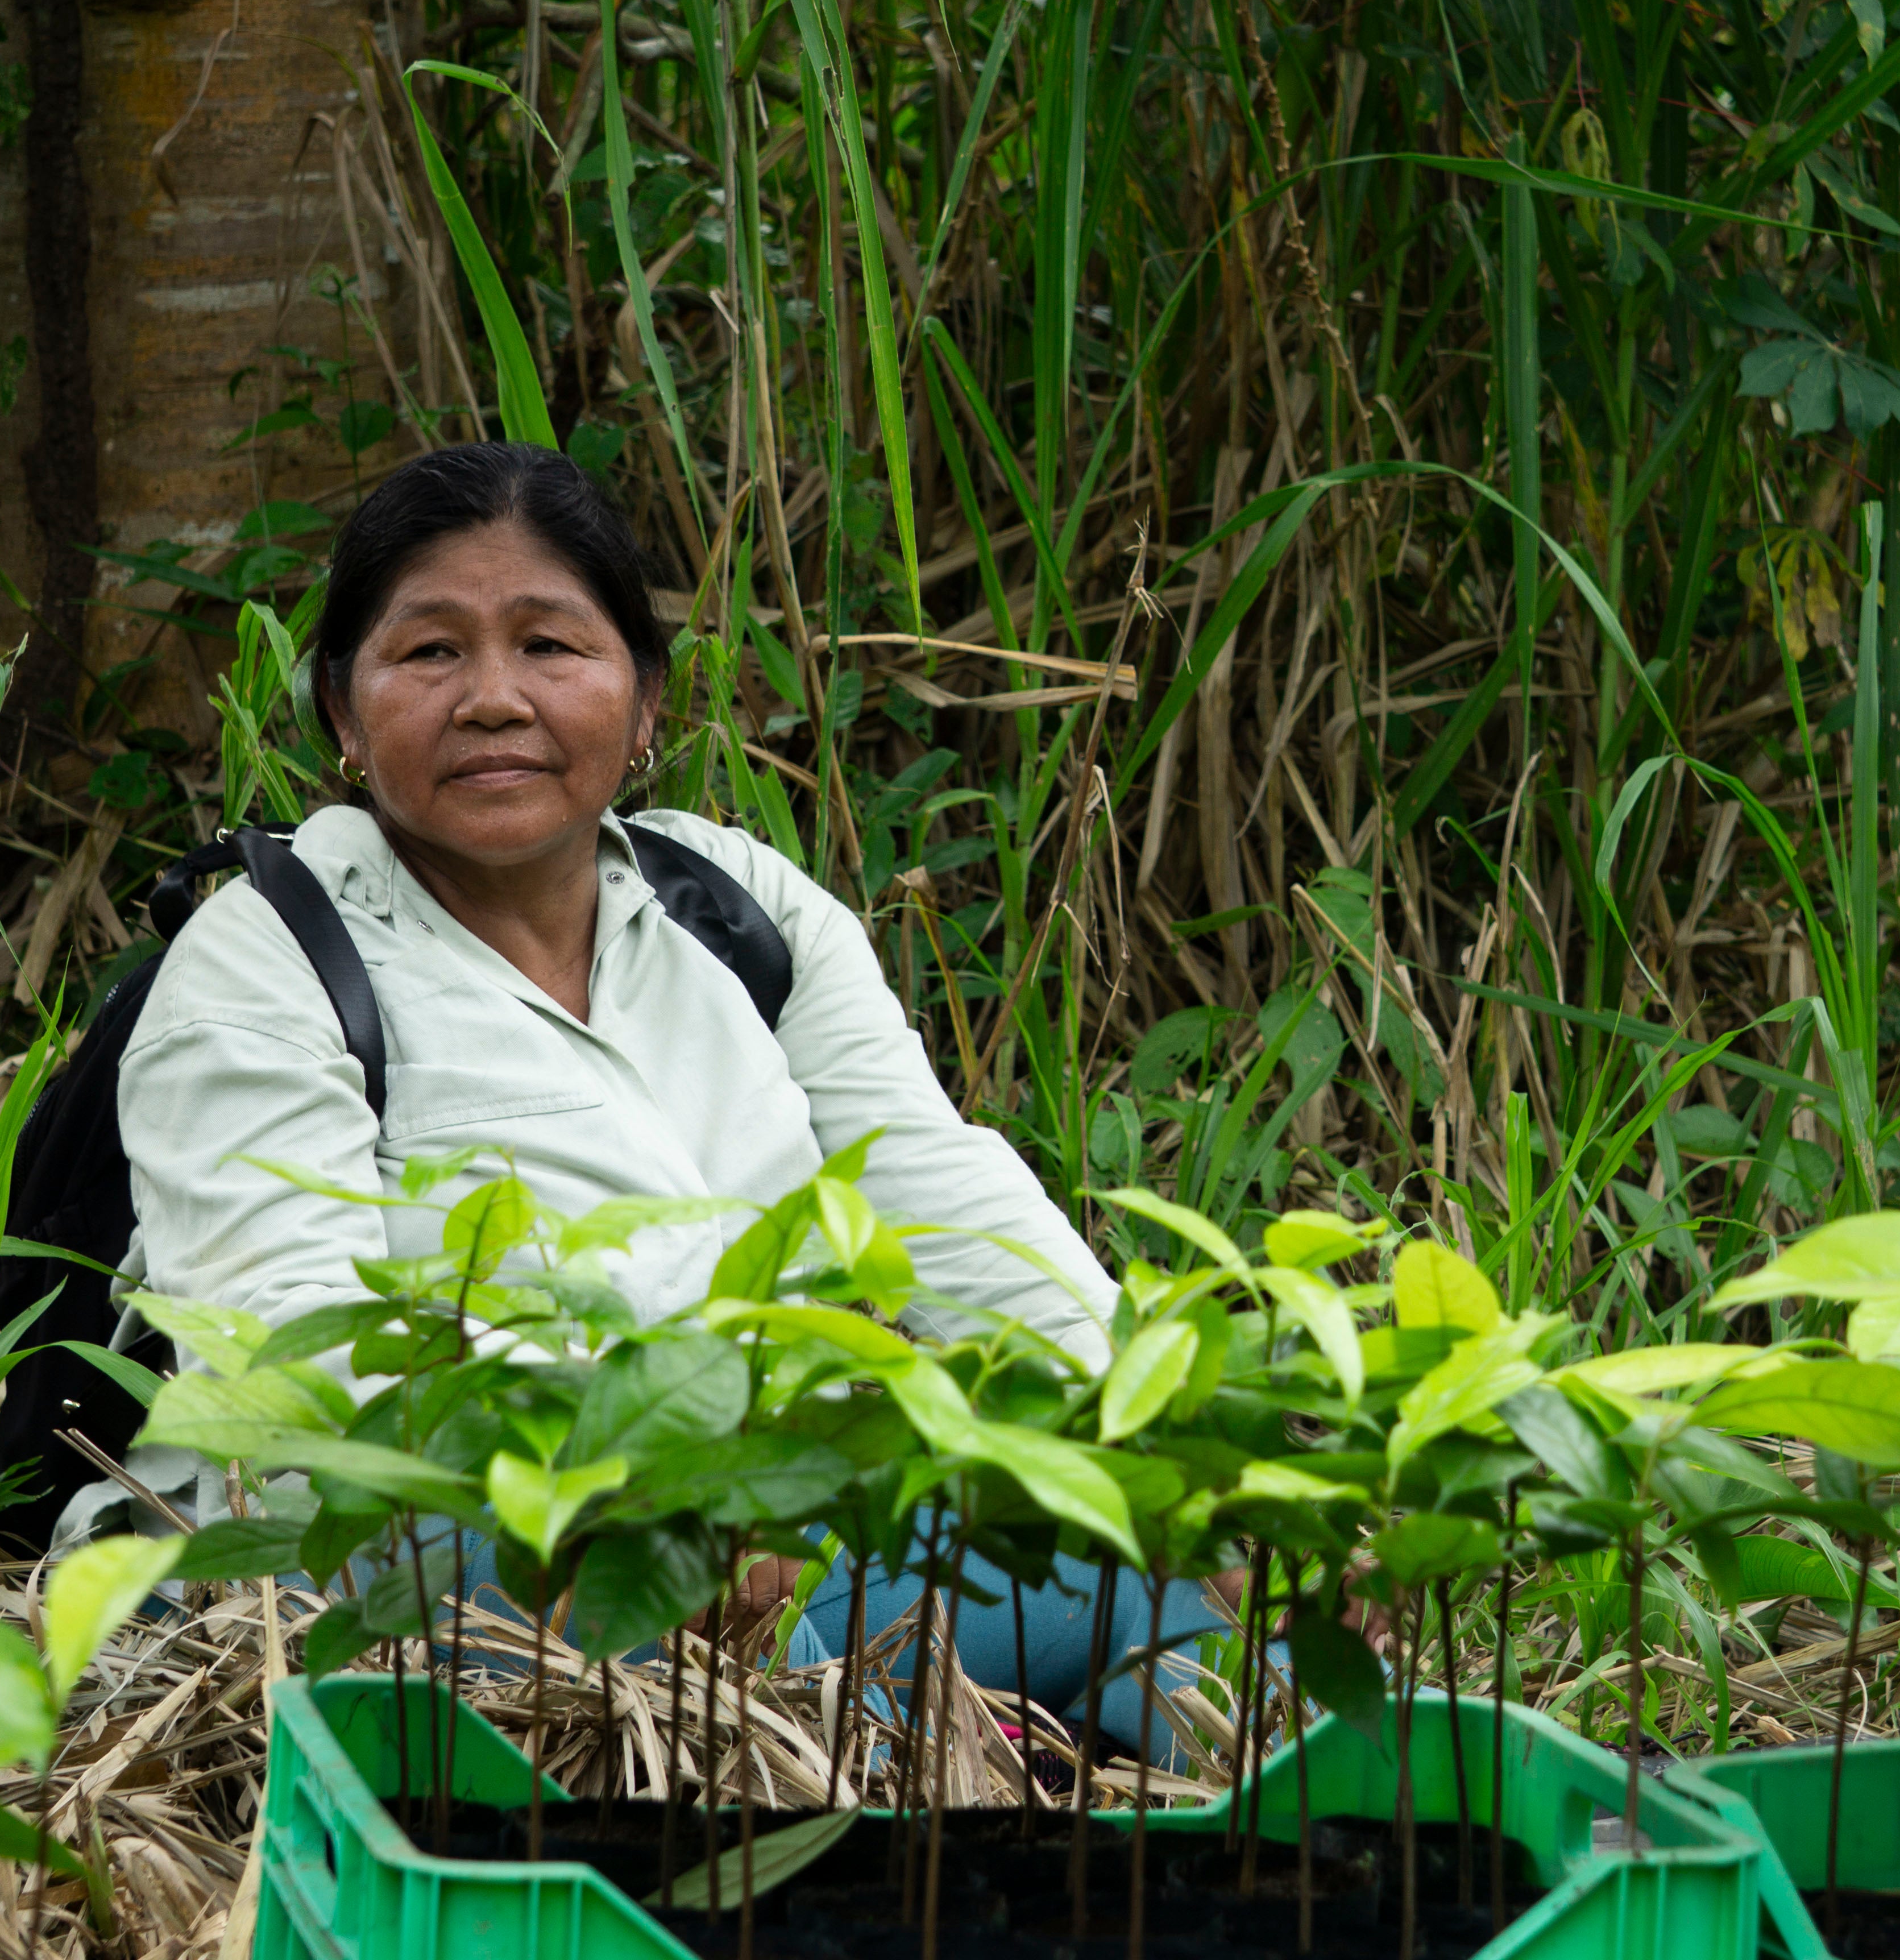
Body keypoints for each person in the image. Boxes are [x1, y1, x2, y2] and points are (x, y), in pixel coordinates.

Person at [117, 439, 1222, 1755]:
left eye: (550, 645)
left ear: (646, 706)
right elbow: (288, 1375)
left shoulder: (734, 904)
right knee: (785, 1672)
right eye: (428, 653)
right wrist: (623, 1506)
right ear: (346, 721)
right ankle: (867, 1768)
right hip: (429, 1569)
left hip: (768, 1534)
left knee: (1186, 1581)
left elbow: (949, 1198)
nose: (492, 698)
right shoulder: (268, 954)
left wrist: (1192, 1458)